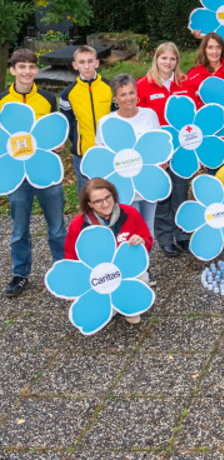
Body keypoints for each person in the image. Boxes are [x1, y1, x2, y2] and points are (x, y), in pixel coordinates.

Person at [0, 49, 66, 297]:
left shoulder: (48, 98)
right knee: (19, 230)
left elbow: (52, 129)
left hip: (44, 170)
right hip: (17, 175)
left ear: (36, 70)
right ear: (12, 70)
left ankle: (63, 269)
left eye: (31, 66)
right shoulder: (2, 100)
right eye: (22, 67)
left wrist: (57, 144)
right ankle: (20, 273)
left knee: (57, 227)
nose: (27, 71)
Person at [65, 178, 153, 324]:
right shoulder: (78, 224)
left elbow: (148, 240)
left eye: (107, 197)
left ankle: (129, 306)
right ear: (89, 204)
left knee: (142, 277)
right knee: (101, 316)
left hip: (125, 269)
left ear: (113, 195)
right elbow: (71, 256)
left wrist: (142, 241)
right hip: (98, 275)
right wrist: (75, 287)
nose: (105, 204)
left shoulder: (130, 212)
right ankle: (109, 306)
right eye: (98, 201)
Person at [137, 42, 196, 256]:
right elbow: (138, 119)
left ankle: (182, 234)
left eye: (172, 59)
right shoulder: (143, 85)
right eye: (164, 58)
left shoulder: (185, 83)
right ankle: (164, 238)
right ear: (156, 59)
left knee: (181, 194)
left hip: (182, 150)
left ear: (177, 61)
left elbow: (194, 112)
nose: (168, 63)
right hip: (157, 152)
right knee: (163, 196)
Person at [96, 74, 163, 238]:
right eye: (123, 94)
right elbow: (102, 157)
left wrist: (162, 162)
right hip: (123, 186)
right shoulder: (106, 122)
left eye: (131, 92)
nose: (129, 98)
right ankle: (130, 263)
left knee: (148, 230)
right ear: (115, 98)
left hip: (148, 183)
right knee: (129, 230)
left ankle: (146, 263)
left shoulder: (149, 115)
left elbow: (159, 146)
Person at [59, 45, 114, 193]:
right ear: (75, 65)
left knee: (110, 192)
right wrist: (77, 140)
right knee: (87, 194)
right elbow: (66, 122)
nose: (87, 66)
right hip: (82, 153)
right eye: (82, 62)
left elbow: (118, 117)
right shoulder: (68, 93)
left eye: (90, 61)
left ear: (97, 63)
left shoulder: (110, 87)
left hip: (109, 151)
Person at [186, 32, 224, 104]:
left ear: (222, 50)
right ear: (204, 50)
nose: (214, 51)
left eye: (218, 47)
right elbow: (188, 102)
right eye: (210, 47)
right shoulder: (193, 74)